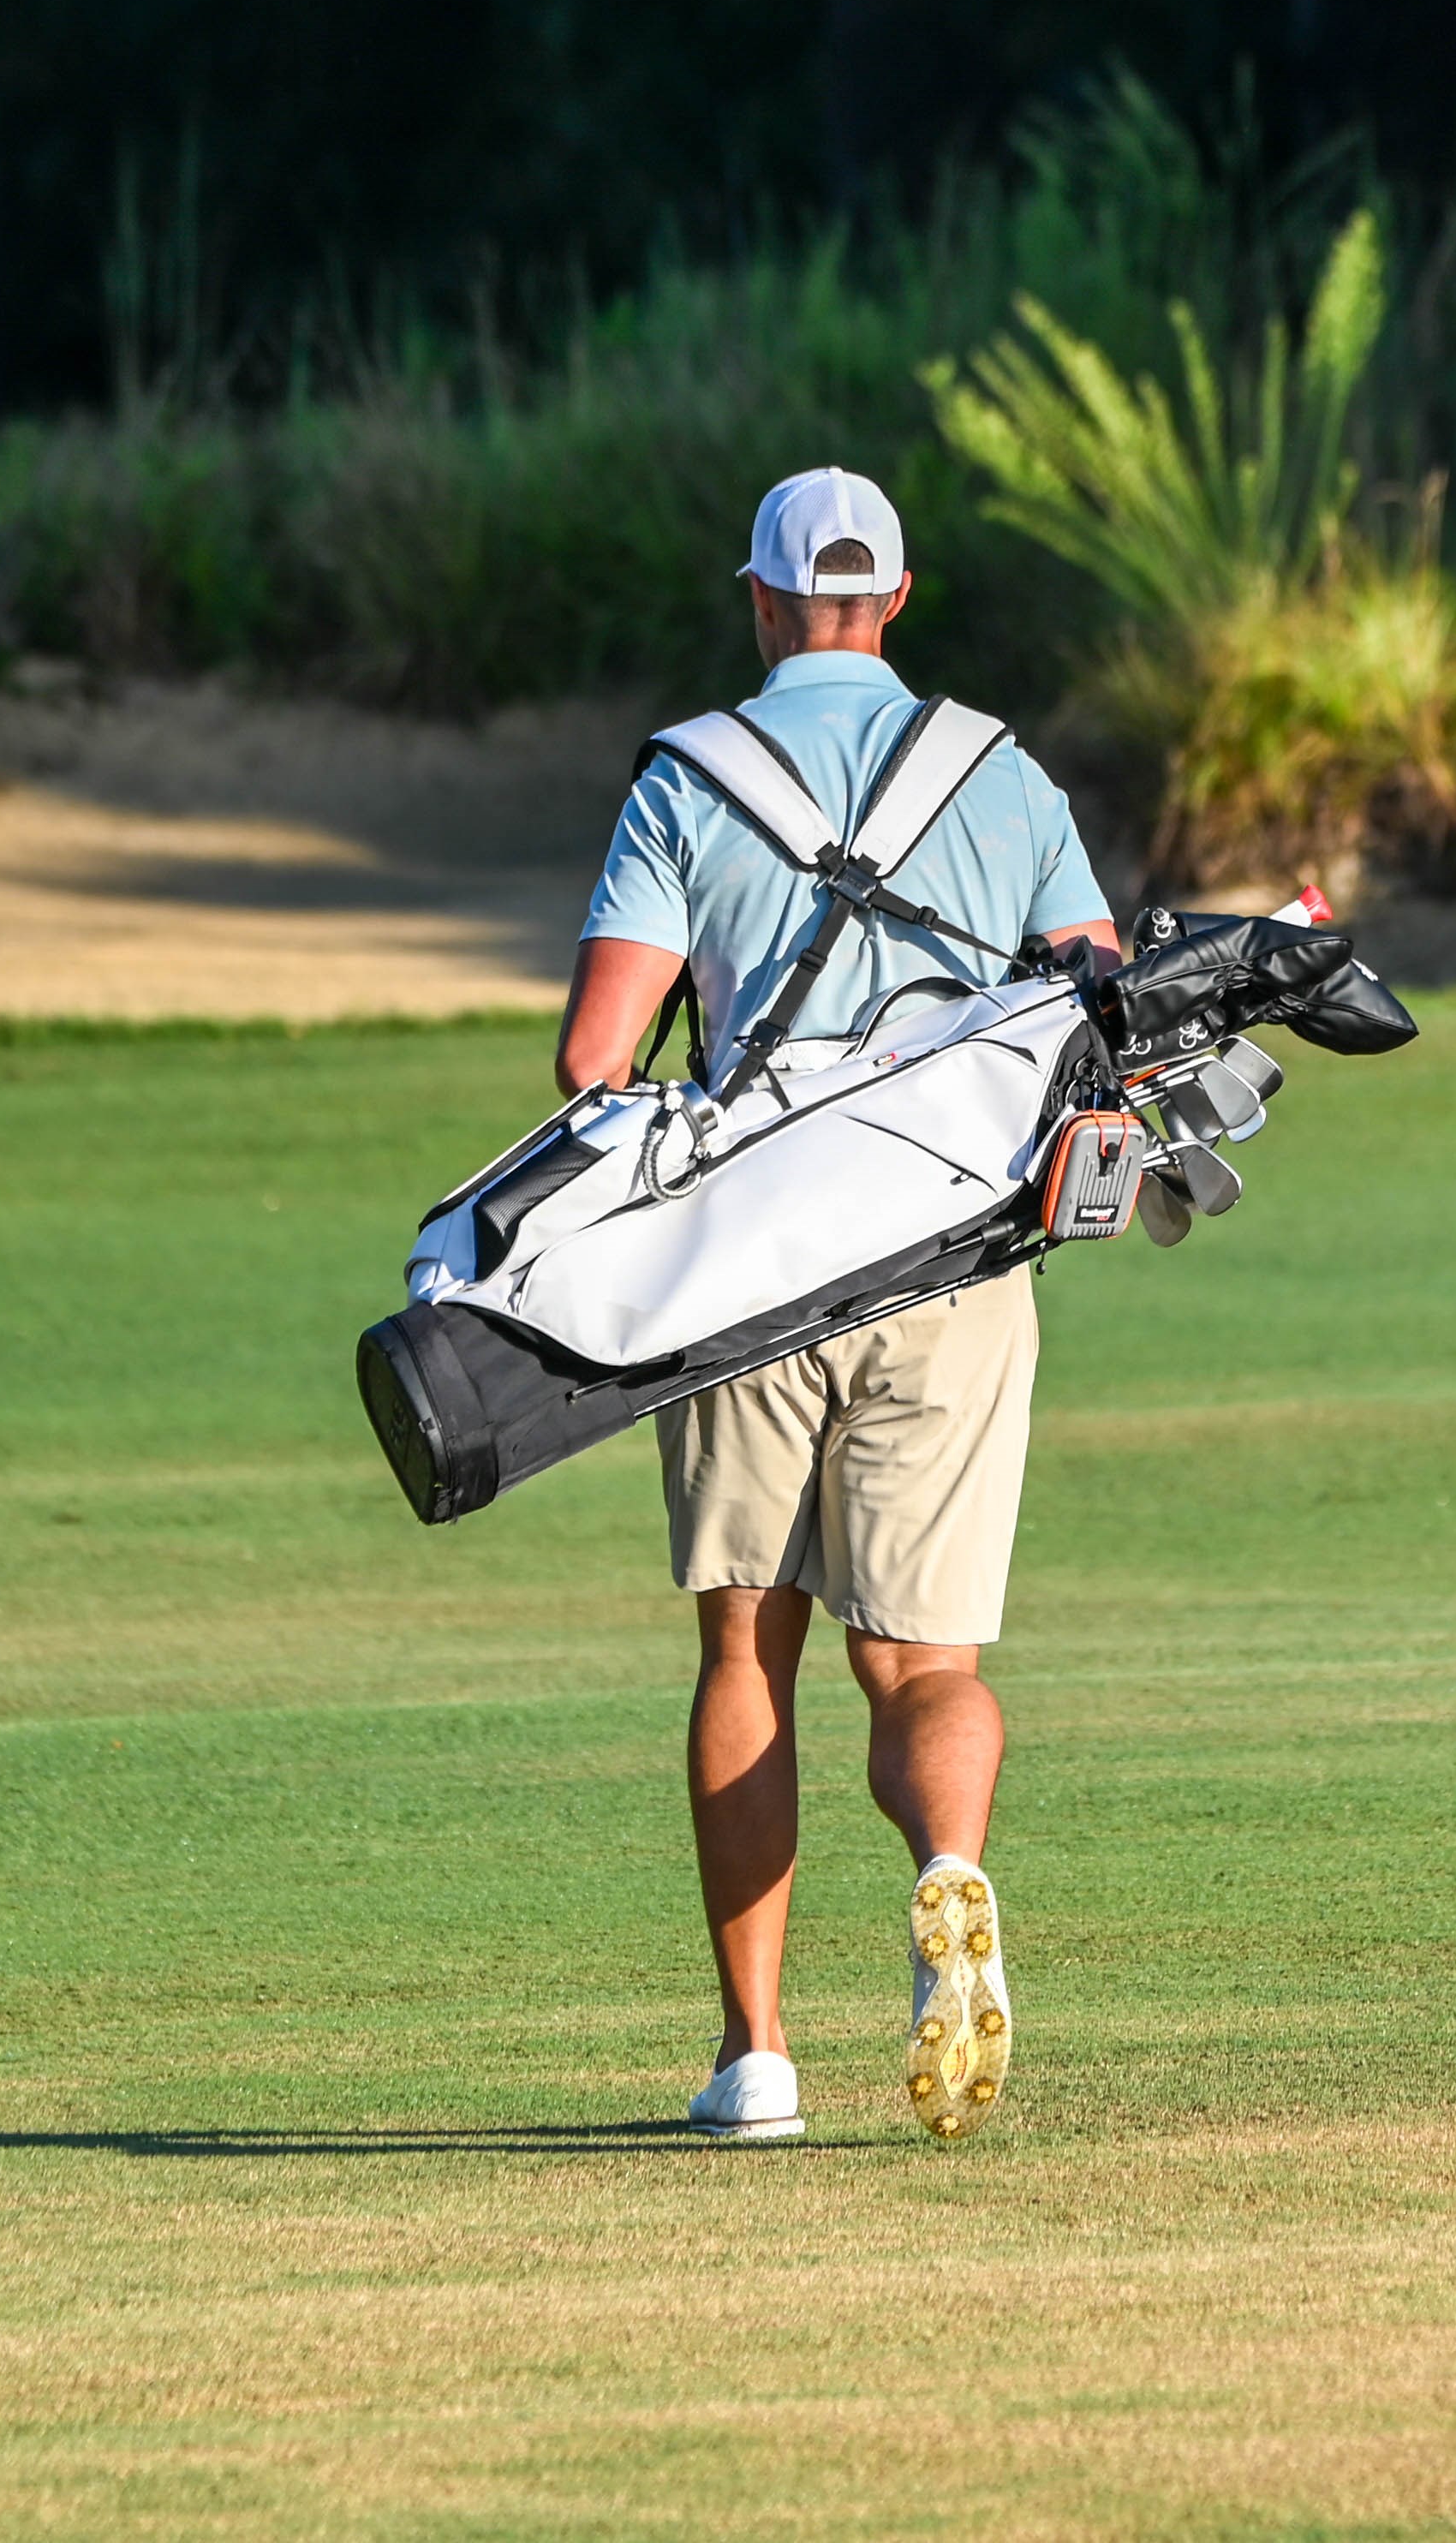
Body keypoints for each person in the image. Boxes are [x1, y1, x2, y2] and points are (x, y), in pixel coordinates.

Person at [558, 467, 1118, 2142]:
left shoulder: (689, 778)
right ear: (899, 598)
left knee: (749, 1640)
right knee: (922, 1658)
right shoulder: (1003, 773)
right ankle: (950, 1864)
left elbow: (595, 1059)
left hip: (750, 1261)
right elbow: (1103, 1012)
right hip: (951, 1253)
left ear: (761, 601)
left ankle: (757, 2057)